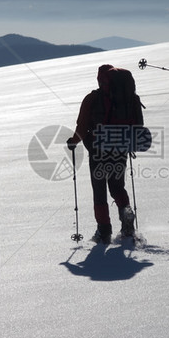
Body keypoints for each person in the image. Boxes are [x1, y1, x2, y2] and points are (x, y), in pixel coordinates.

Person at [67, 64, 143, 243]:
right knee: (117, 187)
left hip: (98, 151)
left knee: (99, 190)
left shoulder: (93, 99)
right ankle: (127, 220)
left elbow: (83, 127)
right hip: (120, 148)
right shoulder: (130, 98)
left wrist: (73, 142)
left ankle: (104, 231)